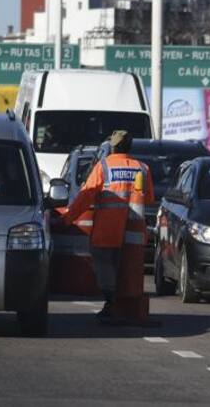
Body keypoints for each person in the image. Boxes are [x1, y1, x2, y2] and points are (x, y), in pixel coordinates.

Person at [61, 130, 154, 320]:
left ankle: (111, 303)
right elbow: (149, 199)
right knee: (128, 270)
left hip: (106, 232)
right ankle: (124, 306)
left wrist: (68, 218)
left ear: (112, 146)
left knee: (105, 269)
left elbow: (85, 196)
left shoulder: (104, 167)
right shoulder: (143, 168)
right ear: (130, 146)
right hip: (133, 235)